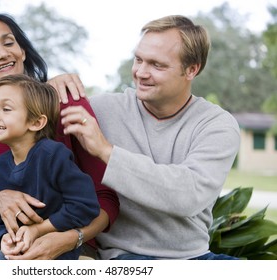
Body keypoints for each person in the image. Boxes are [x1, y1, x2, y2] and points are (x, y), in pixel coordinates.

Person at [60, 15, 241, 260]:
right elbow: (28, 119)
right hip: (125, 256)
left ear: (191, 69)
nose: (141, 73)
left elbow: (188, 195)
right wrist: (52, 87)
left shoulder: (216, 125)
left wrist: (106, 151)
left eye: (157, 65)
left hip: (193, 258)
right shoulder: (100, 110)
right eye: (138, 60)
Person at [0, 13, 119, 260]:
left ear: (22, 51)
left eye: (9, 42)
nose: (2, 53)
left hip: (74, 243)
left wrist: (65, 239)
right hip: (17, 246)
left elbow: (105, 199)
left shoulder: (63, 102)